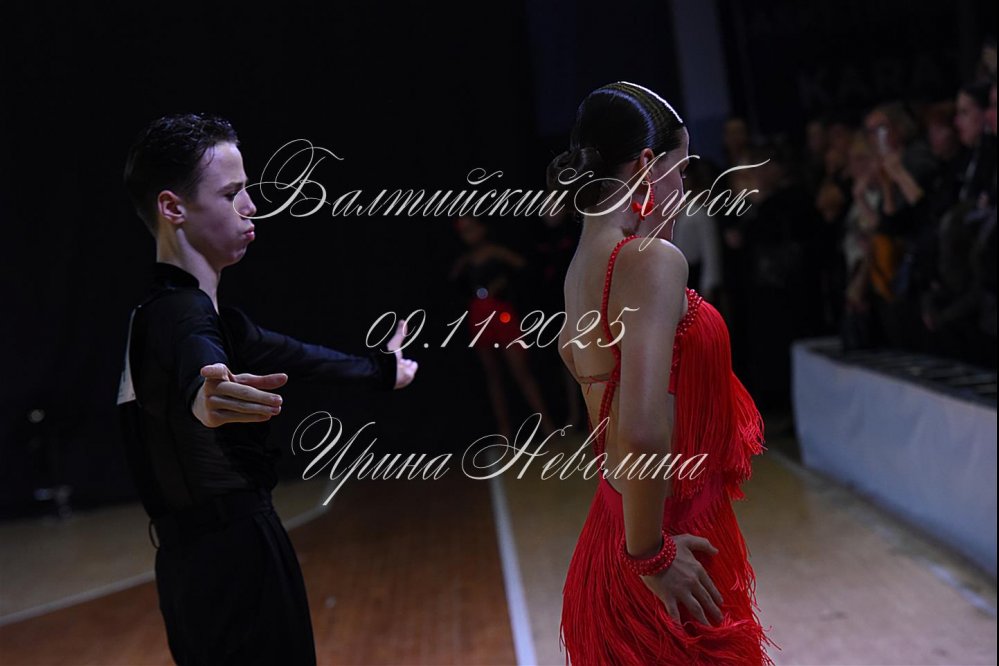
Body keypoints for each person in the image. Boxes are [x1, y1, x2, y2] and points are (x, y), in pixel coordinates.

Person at [118, 113, 418, 665]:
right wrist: (208, 400)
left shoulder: (190, 317)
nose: (251, 206)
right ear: (172, 208)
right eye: (230, 193)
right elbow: (199, 367)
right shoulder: (179, 314)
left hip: (194, 568)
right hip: (233, 566)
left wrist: (384, 370)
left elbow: (301, 356)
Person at [550, 82, 773, 665]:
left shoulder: (582, 268)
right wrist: (651, 554)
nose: (685, 186)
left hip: (613, 540)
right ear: (647, 165)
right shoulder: (649, 262)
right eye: (682, 167)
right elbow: (642, 430)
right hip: (663, 549)